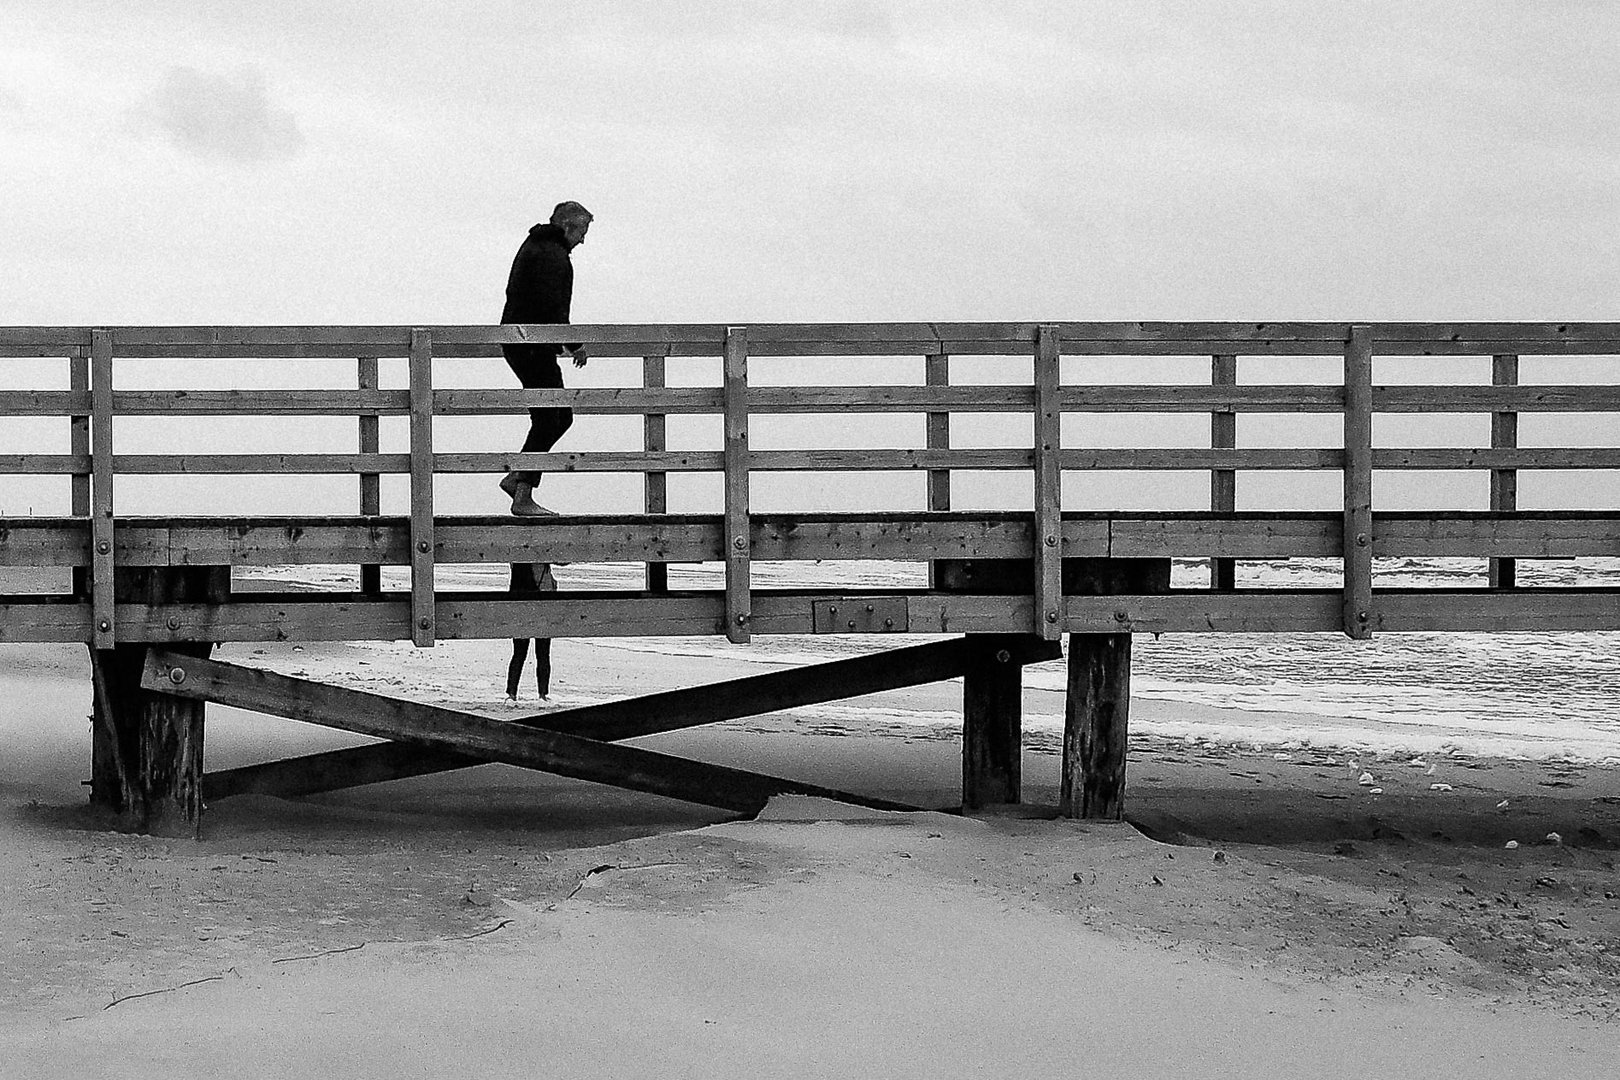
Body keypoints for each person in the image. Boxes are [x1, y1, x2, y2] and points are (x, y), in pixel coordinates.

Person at [499, 201, 593, 516]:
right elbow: (553, 310)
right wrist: (575, 344)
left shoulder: (534, 246)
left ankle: (519, 479)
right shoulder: (554, 257)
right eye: (582, 231)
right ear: (568, 227)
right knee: (554, 417)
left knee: (552, 416)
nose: (583, 240)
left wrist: (560, 343)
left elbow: (534, 302)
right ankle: (521, 489)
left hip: (522, 342)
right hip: (529, 344)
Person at [506, 561, 558, 701]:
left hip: (519, 603)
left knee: (519, 653)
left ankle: (512, 693)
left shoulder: (515, 555)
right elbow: (563, 560)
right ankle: (542, 694)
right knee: (543, 652)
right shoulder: (542, 552)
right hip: (543, 602)